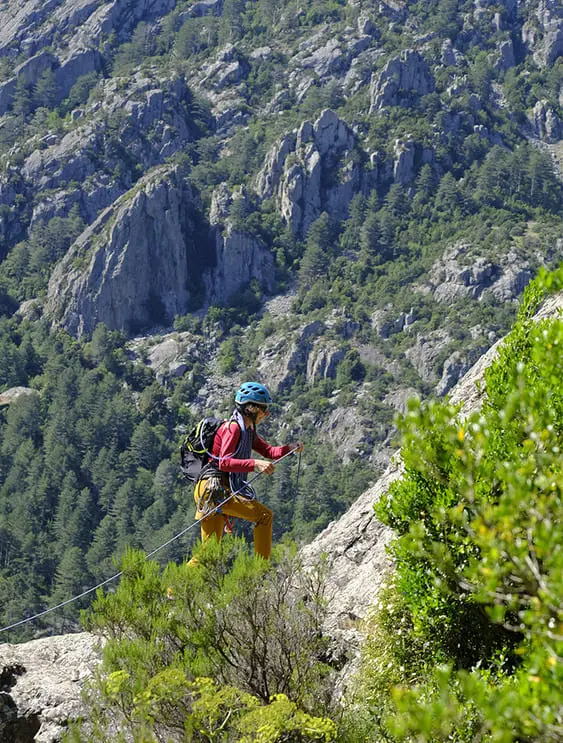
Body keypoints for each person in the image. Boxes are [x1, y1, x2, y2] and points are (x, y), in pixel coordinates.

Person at [193, 381, 303, 559]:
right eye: (263, 409)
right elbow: (224, 463)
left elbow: (269, 452)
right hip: (214, 489)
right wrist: (255, 464)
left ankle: (171, 589)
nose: (266, 414)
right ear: (251, 408)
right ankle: (261, 571)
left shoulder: (248, 431)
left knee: (208, 556)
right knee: (265, 516)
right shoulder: (234, 428)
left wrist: (290, 447)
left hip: (211, 491)